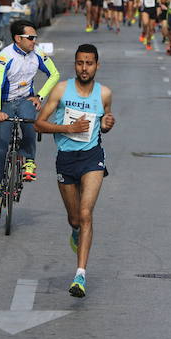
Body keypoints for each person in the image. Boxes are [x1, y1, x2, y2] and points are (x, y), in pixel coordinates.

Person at [34, 43, 115, 298]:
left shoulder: (104, 94)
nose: (84, 68)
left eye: (89, 63)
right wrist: (68, 129)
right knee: (74, 219)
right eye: (80, 63)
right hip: (66, 159)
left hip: (92, 158)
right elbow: (39, 124)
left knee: (86, 213)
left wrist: (107, 124)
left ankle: (80, 275)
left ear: (97, 65)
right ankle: (75, 230)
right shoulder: (61, 90)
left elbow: (104, 124)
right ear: (75, 65)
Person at [0, 20, 60, 216]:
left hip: (26, 99)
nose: (34, 41)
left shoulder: (38, 54)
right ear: (18, 39)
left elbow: (54, 74)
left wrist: (40, 96)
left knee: (30, 123)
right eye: (30, 38)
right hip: (5, 103)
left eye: (35, 37)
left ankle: (29, 160)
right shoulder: (5, 56)